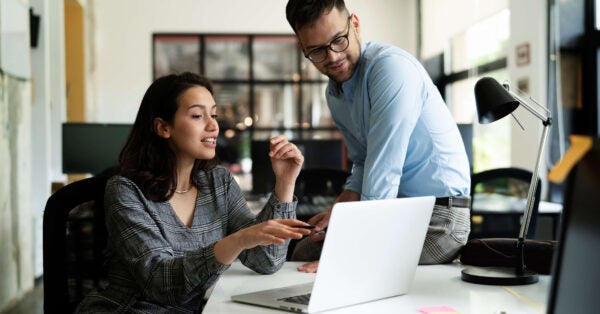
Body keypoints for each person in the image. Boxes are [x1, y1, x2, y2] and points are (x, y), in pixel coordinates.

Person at [76, 72, 312, 312]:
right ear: (163, 127)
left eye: (214, 114)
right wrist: (237, 240)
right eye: (198, 116)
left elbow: (267, 261)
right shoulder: (126, 190)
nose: (213, 125)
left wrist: (284, 183)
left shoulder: (218, 183)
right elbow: (160, 284)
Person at [285, 0, 471, 272]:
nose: (333, 57)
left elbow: (385, 167)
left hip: (440, 219)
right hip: (397, 212)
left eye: (339, 40)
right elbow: (363, 161)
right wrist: (340, 211)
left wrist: (352, 247)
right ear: (303, 49)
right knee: (306, 250)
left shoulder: (391, 69)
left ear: (356, 25)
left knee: (347, 267)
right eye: (317, 51)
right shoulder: (335, 94)